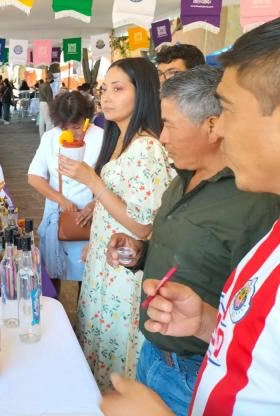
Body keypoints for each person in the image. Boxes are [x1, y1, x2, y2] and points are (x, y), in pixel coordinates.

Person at [100, 17, 280, 416]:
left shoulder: (260, 206)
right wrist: (204, 322)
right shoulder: (182, 177)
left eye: (228, 111)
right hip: (163, 355)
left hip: (191, 371)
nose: (222, 128)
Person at [59, 57, 175, 390]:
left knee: (115, 360)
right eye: (103, 89)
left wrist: (93, 182)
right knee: (98, 353)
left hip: (123, 275)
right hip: (105, 265)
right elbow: (123, 199)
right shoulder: (120, 140)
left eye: (118, 88)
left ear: (144, 93)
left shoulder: (147, 147)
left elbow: (142, 226)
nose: (106, 97)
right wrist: (97, 225)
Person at [28, 91, 104, 294]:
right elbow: (34, 176)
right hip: (57, 217)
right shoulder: (50, 138)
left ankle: (83, 321)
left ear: (87, 119)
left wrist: (95, 203)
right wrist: (60, 199)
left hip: (90, 218)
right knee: (52, 275)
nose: (73, 132)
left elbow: (113, 182)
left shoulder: (103, 138)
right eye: (66, 127)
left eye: (78, 127)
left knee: (87, 279)